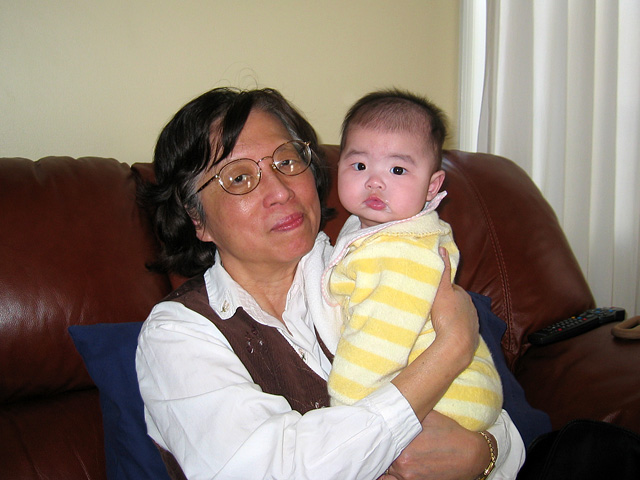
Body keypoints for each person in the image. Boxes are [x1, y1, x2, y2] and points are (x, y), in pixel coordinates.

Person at [135, 86, 525, 479]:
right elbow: (263, 468)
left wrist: (483, 454)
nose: (281, 191)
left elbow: (493, 410)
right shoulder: (176, 334)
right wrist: (449, 353)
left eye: (287, 161)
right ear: (197, 219)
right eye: (239, 178)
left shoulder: (382, 261)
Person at [322, 90, 503, 434]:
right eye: (359, 165)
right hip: (444, 391)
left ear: (432, 186)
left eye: (398, 169)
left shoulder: (400, 254)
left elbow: (377, 340)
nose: (375, 181)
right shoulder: (380, 234)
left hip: (448, 400)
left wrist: (346, 414)